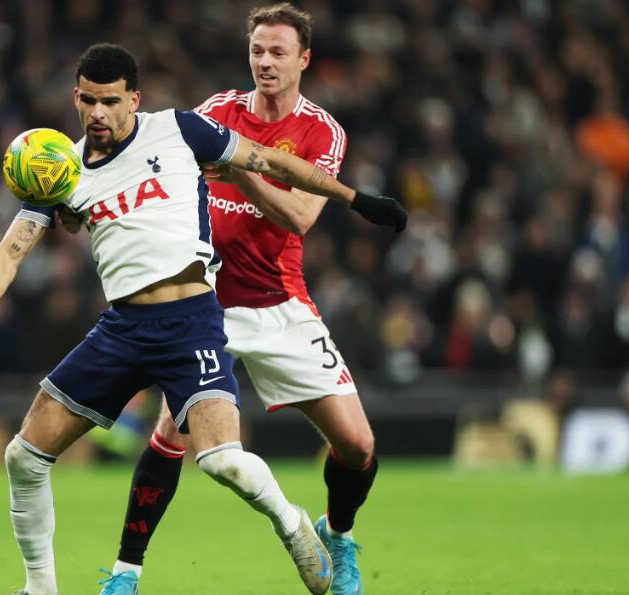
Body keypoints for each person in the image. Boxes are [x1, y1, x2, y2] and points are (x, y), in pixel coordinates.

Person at [0, 43, 404, 595]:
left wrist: (355, 199)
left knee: (221, 461)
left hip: (191, 322)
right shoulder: (60, 169)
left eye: (110, 102)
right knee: (23, 455)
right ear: (75, 97)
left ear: (133, 99)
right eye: (88, 101)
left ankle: (292, 523)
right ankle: (40, 588)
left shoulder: (181, 130)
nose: (97, 114)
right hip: (120, 330)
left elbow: (272, 161)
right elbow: (11, 249)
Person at [100, 5, 405, 595]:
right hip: (203, 304)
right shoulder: (219, 111)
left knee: (358, 444)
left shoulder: (322, 131)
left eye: (278, 53)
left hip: (279, 303)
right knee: (170, 432)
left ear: (304, 60)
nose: (265, 62)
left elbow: (299, 215)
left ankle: (336, 534)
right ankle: (124, 574)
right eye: (258, 51)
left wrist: (236, 165)